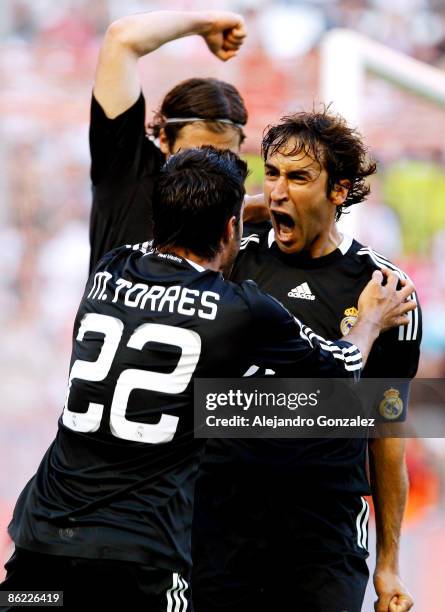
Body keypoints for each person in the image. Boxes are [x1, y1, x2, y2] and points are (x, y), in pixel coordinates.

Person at [0, 148, 415, 611]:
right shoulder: (237, 308)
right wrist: (371, 321)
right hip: (142, 557)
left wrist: (238, 204)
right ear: (231, 229)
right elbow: (344, 366)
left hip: (42, 541)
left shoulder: (110, 269)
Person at [192, 113, 421, 612]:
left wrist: (388, 565)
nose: (277, 191)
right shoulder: (232, 264)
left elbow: (386, 432)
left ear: (339, 191)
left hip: (323, 539)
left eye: (297, 178)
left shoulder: (385, 291)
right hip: (220, 525)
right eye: (271, 173)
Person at [89, 8, 266, 274]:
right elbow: (121, 38)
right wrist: (207, 24)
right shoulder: (126, 172)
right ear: (163, 140)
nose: (209, 171)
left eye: (223, 158)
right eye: (193, 154)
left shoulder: (245, 220)